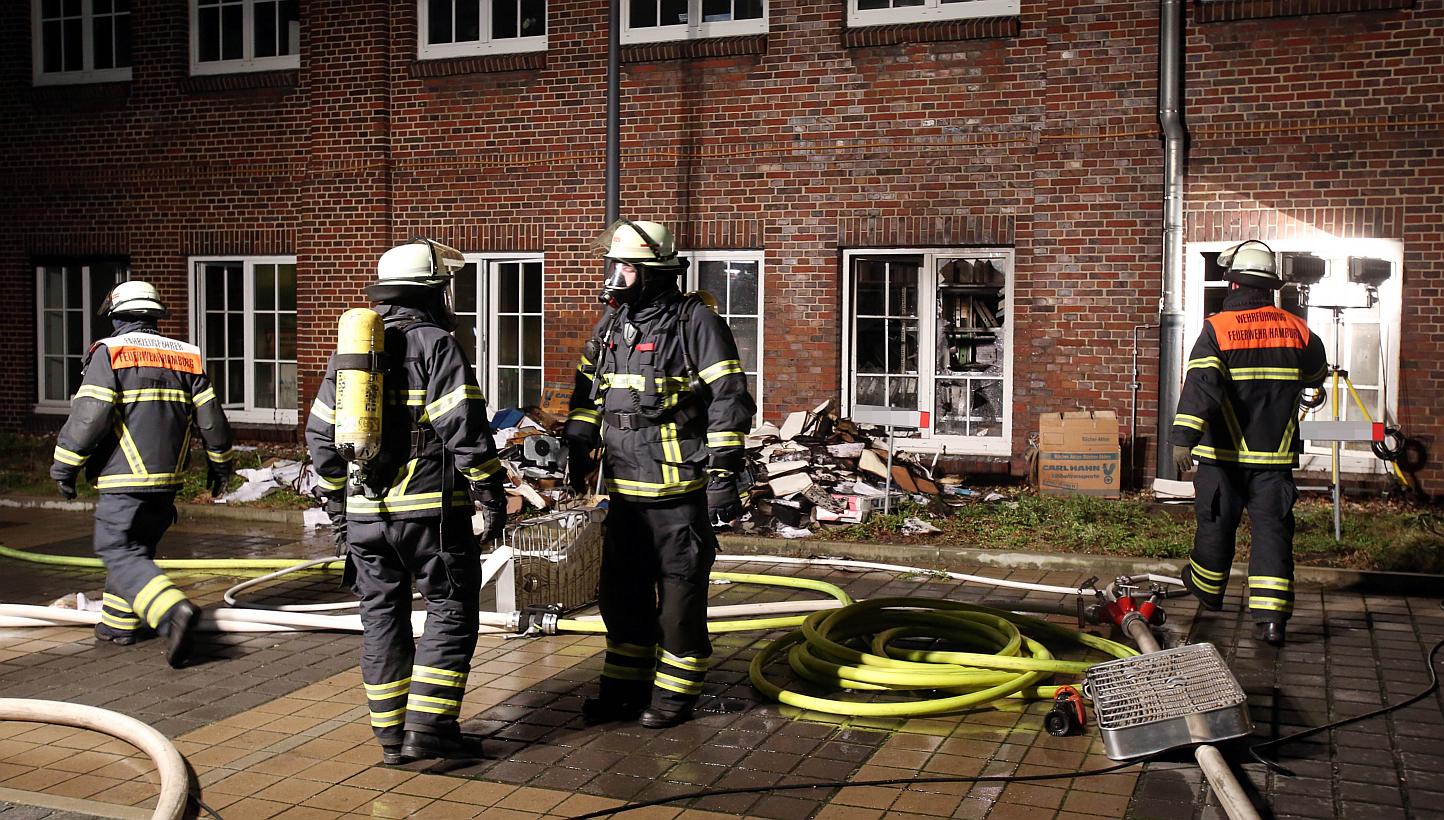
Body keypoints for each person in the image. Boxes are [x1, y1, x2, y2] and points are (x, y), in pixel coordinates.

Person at [306, 239, 507, 764]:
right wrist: (489, 491)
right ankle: (428, 729)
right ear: (432, 291)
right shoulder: (436, 343)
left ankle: (392, 736)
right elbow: (463, 425)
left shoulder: (353, 354)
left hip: (365, 515)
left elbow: (321, 438)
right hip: (428, 514)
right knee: (450, 607)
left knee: (381, 616)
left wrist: (337, 508)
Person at [564, 219, 756, 729]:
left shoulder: (696, 322)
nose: (618, 274)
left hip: (677, 493)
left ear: (652, 271)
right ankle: (624, 690)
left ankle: (674, 696)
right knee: (621, 598)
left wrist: (722, 475)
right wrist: (579, 439)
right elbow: (588, 392)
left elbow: (729, 400)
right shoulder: (612, 326)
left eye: (628, 265)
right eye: (617, 264)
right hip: (624, 495)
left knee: (678, 603)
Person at [50, 280, 234, 668]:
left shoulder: (111, 352)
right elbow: (212, 420)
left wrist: (65, 465)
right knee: (137, 549)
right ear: (154, 314)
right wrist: (220, 464)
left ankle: (172, 612)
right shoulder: (187, 356)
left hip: (124, 476)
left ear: (116, 315)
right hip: (168, 479)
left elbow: (90, 417)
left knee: (116, 548)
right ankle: (118, 625)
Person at [1171, 240, 1328, 647]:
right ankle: (1271, 620)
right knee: (1273, 532)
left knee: (1216, 524)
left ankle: (1207, 591)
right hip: (1274, 459)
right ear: (1270, 286)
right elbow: (1314, 377)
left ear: (1234, 284)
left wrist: (1181, 438)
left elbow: (1201, 387)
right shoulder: (1299, 330)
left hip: (1222, 458)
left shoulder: (1217, 328)